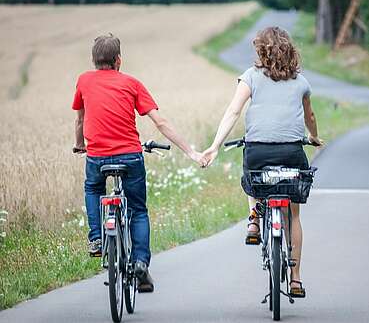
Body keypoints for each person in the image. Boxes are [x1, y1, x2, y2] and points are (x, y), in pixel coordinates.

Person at [72, 33, 205, 293]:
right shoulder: (132, 84)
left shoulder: (84, 81)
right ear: (119, 60)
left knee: (92, 189)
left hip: (97, 157)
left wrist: (80, 145)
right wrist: (191, 152)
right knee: (138, 210)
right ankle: (141, 262)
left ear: (93, 60)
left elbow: (79, 120)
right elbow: (160, 122)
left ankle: (97, 238)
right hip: (130, 156)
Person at [202, 26, 322, 298]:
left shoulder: (250, 77)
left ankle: (254, 219)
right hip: (292, 153)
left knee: (251, 176)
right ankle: (296, 278)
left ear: (261, 51)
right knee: (293, 215)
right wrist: (313, 137)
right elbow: (310, 117)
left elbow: (234, 110)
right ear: (290, 51)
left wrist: (214, 145)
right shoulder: (301, 82)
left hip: (259, 153)